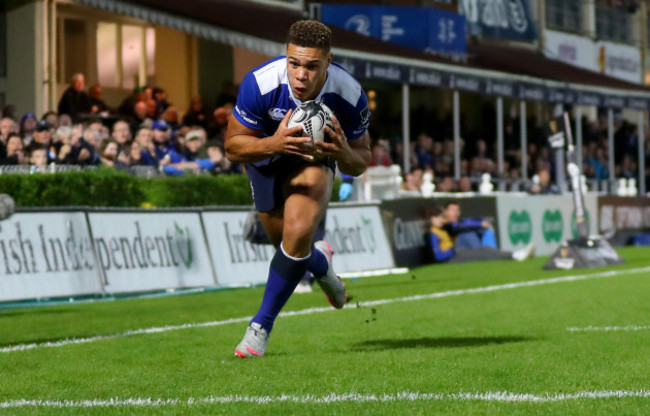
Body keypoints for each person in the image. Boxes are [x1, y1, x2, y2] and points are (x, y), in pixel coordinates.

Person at [225, 20, 371, 358]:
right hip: (265, 161)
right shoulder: (260, 84)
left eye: (311, 66)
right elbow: (233, 148)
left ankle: (259, 328)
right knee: (291, 251)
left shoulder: (348, 93)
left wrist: (342, 153)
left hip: (314, 161)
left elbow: (361, 160)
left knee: (298, 232)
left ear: (328, 62)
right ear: (286, 57)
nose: (301, 74)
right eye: (294, 63)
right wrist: (274, 143)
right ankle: (321, 263)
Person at [428, 205, 534, 263]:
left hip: (457, 252)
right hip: (451, 258)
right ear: (431, 219)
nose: (440, 220)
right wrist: (452, 251)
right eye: (437, 217)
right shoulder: (433, 233)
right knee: (483, 253)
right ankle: (515, 255)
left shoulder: (443, 228)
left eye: (441, 217)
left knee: (485, 249)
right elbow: (438, 256)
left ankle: (515, 254)